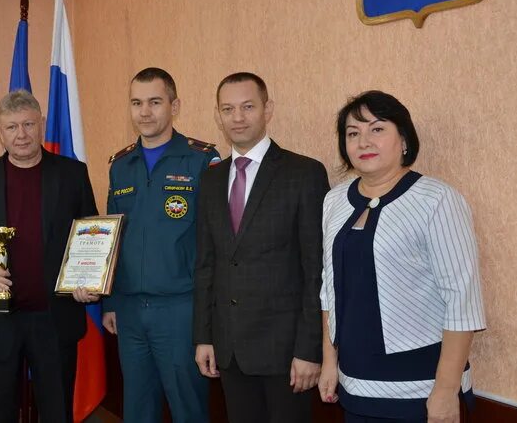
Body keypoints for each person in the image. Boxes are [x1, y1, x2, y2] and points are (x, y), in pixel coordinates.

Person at [317, 90, 486, 423]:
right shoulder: (334, 202)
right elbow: (329, 289)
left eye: (377, 129)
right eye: (353, 133)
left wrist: (445, 390)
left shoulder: (437, 200)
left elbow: (462, 301)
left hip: (420, 389)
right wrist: (328, 361)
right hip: (356, 383)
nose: (363, 141)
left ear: (404, 140)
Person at [0, 90, 97, 423]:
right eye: (11, 127)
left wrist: (88, 280)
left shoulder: (72, 174)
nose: (21, 134)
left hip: (54, 319)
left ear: (41, 125)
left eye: (28, 124)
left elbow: (91, 235)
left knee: (57, 412)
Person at [193, 72, 329, 423]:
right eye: (228, 109)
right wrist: (204, 337)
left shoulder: (304, 173)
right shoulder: (209, 180)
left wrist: (310, 350)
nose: (237, 117)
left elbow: (317, 269)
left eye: (248, 107)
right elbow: (207, 264)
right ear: (218, 116)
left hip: (286, 353)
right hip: (230, 348)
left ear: (268, 109)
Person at [87, 67, 219, 423]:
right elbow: (113, 238)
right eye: (136, 103)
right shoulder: (120, 164)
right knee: (137, 409)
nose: (144, 112)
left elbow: (215, 244)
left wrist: (207, 316)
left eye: (155, 102)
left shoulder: (202, 159)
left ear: (174, 106)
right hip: (129, 311)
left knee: (188, 408)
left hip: (180, 309)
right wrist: (111, 301)